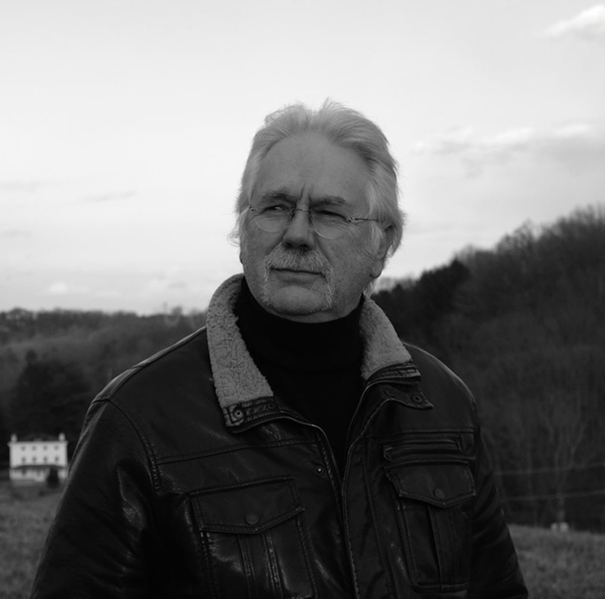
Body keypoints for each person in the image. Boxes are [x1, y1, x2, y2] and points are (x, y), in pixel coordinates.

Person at [30, 100, 527, 598]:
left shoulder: (444, 406)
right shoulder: (139, 419)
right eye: (275, 207)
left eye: (329, 213)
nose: (297, 234)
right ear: (242, 228)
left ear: (383, 244)